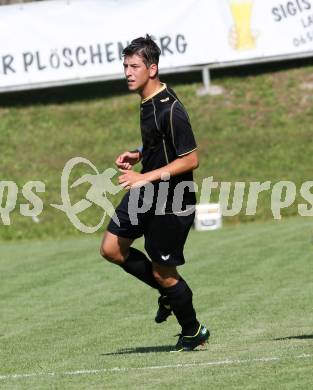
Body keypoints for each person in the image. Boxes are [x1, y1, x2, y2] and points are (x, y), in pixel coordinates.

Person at [100, 34, 209, 351]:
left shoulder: (170, 109)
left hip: (173, 200)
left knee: (164, 271)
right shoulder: (149, 100)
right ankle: (165, 290)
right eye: (125, 66)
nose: (128, 72)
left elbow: (191, 159)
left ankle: (193, 331)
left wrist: (143, 176)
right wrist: (139, 153)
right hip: (148, 190)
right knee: (111, 249)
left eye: (134, 66)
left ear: (152, 68)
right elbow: (160, 143)